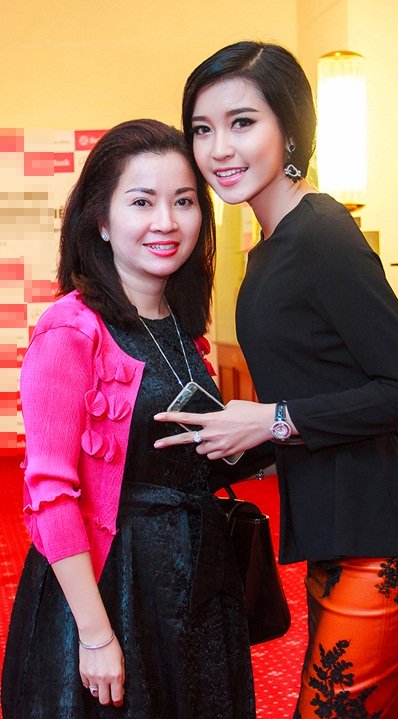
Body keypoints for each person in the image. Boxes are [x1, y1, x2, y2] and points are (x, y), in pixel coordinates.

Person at [153, 42, 398, 718]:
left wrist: (273, 419)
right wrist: (242, 435)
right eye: (202, 129)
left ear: (290, 130)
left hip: (384, 540)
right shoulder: (271, 248)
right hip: (343, 533)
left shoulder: (321, 232)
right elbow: (321, 388)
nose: (218, 148)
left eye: (242, 122)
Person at [1, 119, 262, 719]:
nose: (166, 222)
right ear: (100, 218)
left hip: (196, 586)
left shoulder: (182, 326)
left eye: (184, 201)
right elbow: (49, 495)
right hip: (111, 592)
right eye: (142, 202)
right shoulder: (71, 330)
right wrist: (95, 636)